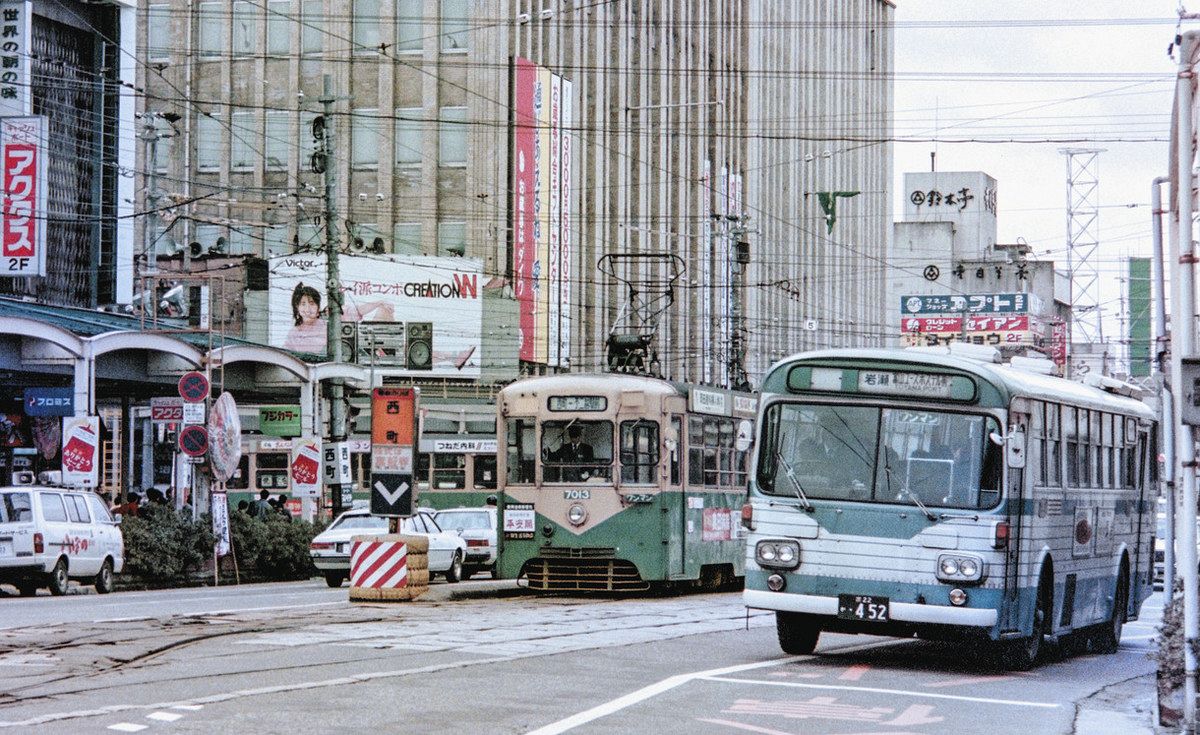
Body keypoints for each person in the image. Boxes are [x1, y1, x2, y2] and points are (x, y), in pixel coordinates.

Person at [283, 282, 395, 354]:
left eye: (312, 303)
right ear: (297, 307)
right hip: (309, 376)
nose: (307, 309)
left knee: (383, 312)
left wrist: (379, 303)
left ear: (318, 306)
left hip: (341, 370)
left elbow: (357, 311)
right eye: (303, 304)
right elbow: (285, 356)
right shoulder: (293, 334)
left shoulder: (330, 320)